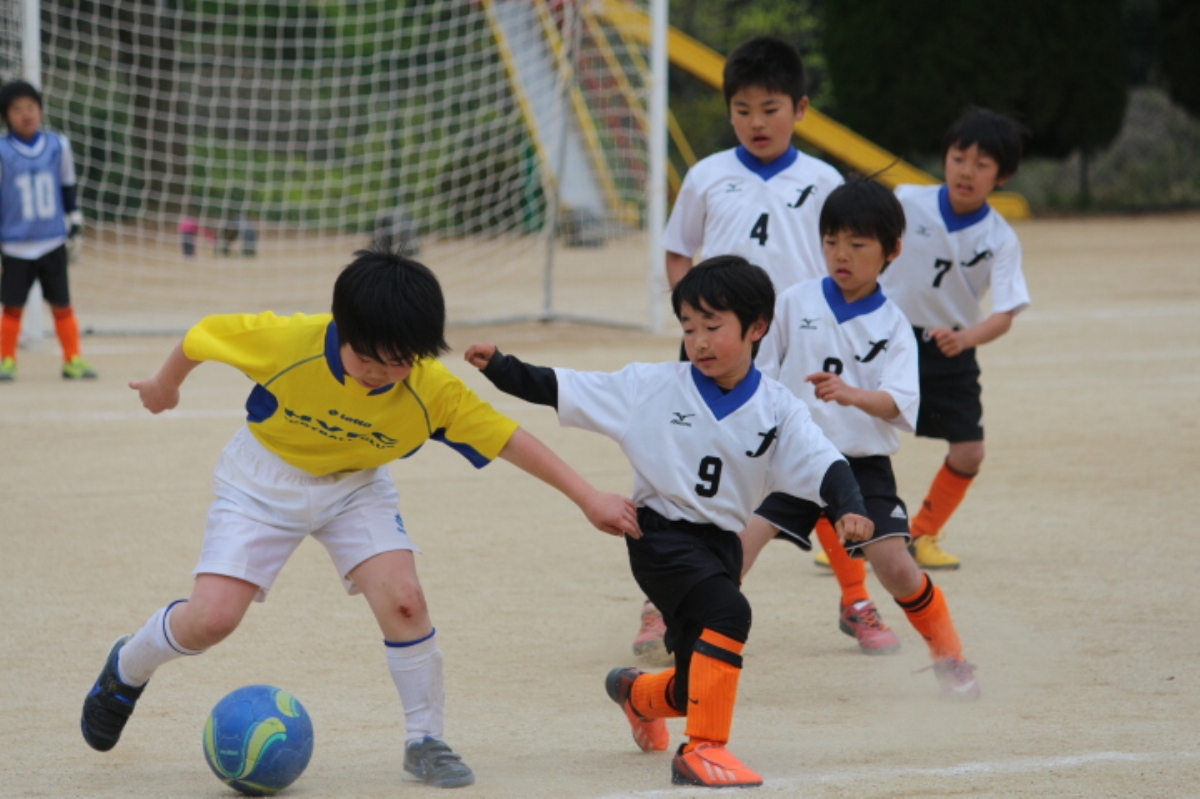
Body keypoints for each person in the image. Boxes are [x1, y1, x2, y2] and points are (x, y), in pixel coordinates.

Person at [79, 245, 641, 790]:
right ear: (341, 330)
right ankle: (128, 667)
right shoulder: (289, 342)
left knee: (405, 600)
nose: (379, 372)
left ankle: (426, 740)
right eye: (367, 358)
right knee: (212, 620)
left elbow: (509, 440)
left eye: (397, 361)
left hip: (356, 486)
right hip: (261, 479)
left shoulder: (430, 389)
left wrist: (588, 497)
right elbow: (202, 336)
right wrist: (165, 385)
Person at [465, 256, 873, 787]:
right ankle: (703, 751)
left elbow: (827, 463)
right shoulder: (651, 386)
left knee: (693, 682)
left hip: (721, 547)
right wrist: (500, 366)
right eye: (688, 327)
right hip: (659, 538)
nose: (698, 341)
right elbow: (562, 386)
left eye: (712, 326)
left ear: (756, 328)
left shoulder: (780, 409)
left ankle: (637, 694)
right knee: (730, 613)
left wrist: (850, 507)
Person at [649, 34, 896, 659]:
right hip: (717, 352)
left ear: (801, 108)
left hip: (798, 352)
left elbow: (847, 263)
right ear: (729, 111)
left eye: (770, 108)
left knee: (820, 464)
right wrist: (696, 321)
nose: (756, 122)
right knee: (693, 475)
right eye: (742, 110)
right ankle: (663, 602)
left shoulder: (823, 180)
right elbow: (678, 251)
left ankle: (855, 599)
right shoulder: (707, 176)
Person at [749, 178, 979, 698]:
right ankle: (687, 652)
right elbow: (760, 376)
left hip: (861, 466)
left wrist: (852, 395)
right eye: (831, 241)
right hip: (793, 461)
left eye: (857, 244)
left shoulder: (895, 325)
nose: (841, 255)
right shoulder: (793, 302)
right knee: (734, 553)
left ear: (892, 250)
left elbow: (899, 403)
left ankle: (951, 659)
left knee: (896, 566)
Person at [878, 108, 1030, 569]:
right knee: (856, 437)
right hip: (885, 341)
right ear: (944, 157)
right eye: (958, 158)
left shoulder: (1000, 238)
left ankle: (922, 533)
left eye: (982, 164)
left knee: (969, 451)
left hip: (950, 349)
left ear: (1001, 177)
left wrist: (965, 340)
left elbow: (1004, 313)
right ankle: (853, 532)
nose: (966, 171)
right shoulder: (906, 202)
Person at [0, 80, 94, 381]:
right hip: (16, 243)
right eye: (16, 109)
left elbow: (67, 185)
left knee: (62, 304)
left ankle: (72, 359)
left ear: (40, 109)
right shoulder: (3, 151)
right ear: (6, 116)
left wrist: (74, 220)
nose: (25, 114)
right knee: (12, 306)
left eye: (30, 107)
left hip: (52, 240)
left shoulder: (57, 145)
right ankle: (6, 360)